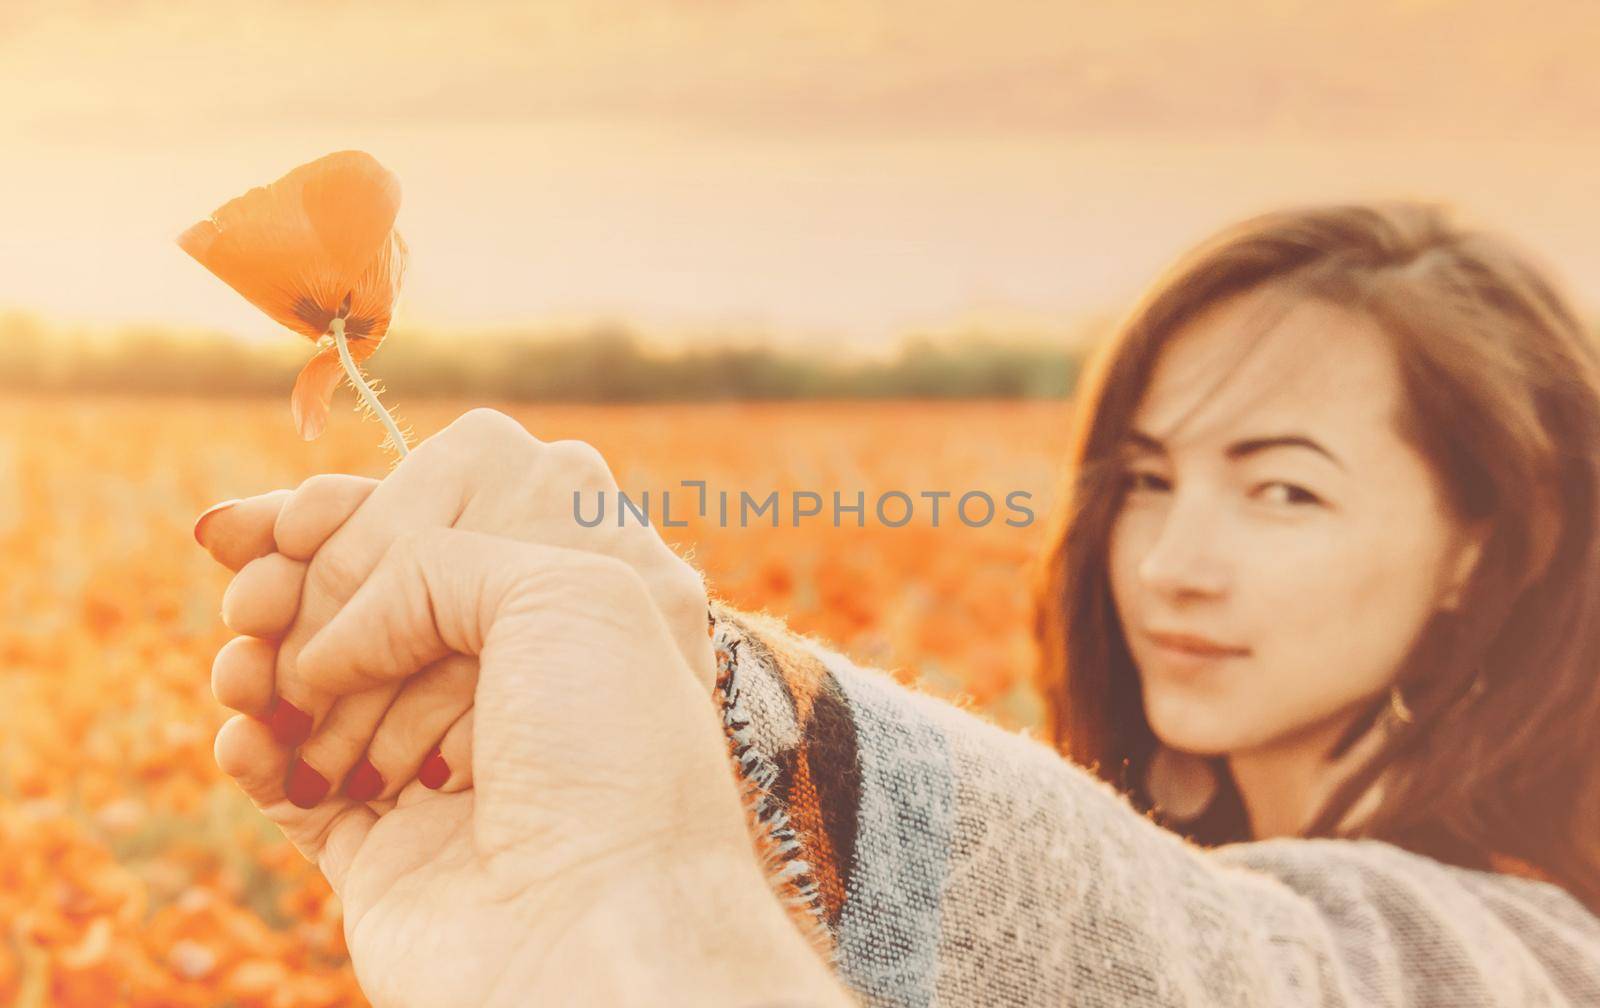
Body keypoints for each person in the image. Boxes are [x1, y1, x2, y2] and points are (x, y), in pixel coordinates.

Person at [195, 201, 1600, 1006]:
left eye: (1284, 490)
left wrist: (706, 685)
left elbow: (1226, 964)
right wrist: (612, 927)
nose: (1175, 559)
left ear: (1494, 543)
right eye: (1148, 477)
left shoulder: (1537, 955)